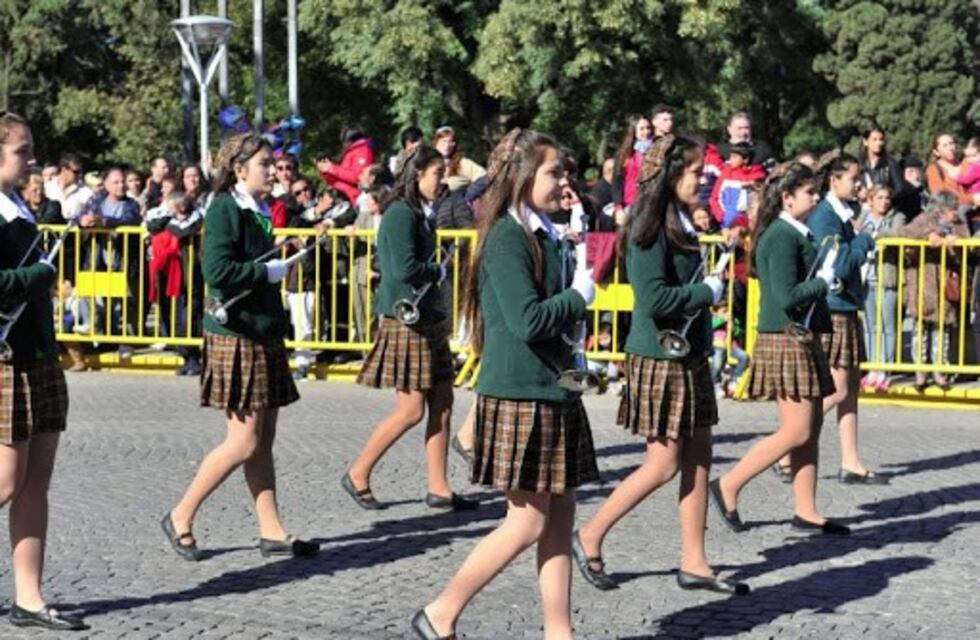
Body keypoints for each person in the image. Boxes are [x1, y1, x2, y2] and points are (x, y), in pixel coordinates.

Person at [413, 128, 599, 640]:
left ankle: (559, 632)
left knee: (561, 516)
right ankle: (441, 611)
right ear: (522, 177)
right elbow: (527, 320)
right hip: (520, 392)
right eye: (553, 171)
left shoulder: (540, 233)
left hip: (554, 388)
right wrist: (580, 296)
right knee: (526, 523)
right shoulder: (505, 235)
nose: (564, 180)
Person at [571, 134, 746, 597]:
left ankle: (694, 561)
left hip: (688, 353)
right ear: (670, 175)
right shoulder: (649, 224)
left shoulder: (684, 219)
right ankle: (590, 533)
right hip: (659, 356)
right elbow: (654, 300)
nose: (706, 179)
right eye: (695, 172)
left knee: (700, 456)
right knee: (663, 463)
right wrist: (705, 293)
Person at [162, 132, 319, 562]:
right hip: (237, 336)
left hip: (262, 330)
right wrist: (265, 271)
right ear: (239, 169)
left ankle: (272, 529)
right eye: (264, 163)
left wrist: (281, 260)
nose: (272, 170)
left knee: (263, 439)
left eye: (272, 163)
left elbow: (253, 262)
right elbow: (217, 269)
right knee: (244, 441)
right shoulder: (227, 207)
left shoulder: (258, 208)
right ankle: (180, 514)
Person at [709, 161, 850, 538]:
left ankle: (806, 509)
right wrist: (823, 283)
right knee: (797, 430)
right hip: (784, 338)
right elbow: (787, 297)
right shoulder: (780, 237)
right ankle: (728, 484)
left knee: (811, 427)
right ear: (788, 198)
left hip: (799, 337)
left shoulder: (795, 234)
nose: (816, 197)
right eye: (809, 192)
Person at [343, 145, 476, 512]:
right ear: (417, 174)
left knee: (443, 403)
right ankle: (358, 473)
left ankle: (439, 487)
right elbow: (402, 268)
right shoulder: (401, 211)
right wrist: (439, 270)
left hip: (426, 316)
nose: (442, 181)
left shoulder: (421, 210)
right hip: (406, 318)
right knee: (411, 409)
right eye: (437, 173)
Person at [0, 111, 88, 630]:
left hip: (38, 353)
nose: (32, 159)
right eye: (21, 150)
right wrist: (37, 274)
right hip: (6, 358)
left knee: (36, 482)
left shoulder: (17, 206)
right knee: (7, 481)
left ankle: (28, 599)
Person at [791, 153, 884, 485]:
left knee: (851, 389)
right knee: (839, 387)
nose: (859, 184)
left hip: (845, 305)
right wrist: (865, 237)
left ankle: (851, 460)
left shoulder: (841, 213)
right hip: (833, 307)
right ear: (835, 180)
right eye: (854, 178)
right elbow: (842, 262)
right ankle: (791, 448)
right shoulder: (827, 216)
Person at [899, 190, 969, 391]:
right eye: (952, 209)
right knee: (920, 329)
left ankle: (940, 373)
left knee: (942, 330)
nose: (955, 213)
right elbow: (903, 233)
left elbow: (969, 245)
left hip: (945, 284)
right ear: (941, 209)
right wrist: (926, 236)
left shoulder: (958, 225)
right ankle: (920, 373)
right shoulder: (923, 220)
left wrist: (956, 244)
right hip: (922, 281)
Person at [857, 185, 905, 391]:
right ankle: (872, 367)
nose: (884, 201)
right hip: (866, 278)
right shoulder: (863, 217)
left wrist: (874, 235)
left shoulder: (897, 217)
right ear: (870, 199)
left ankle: (885, 368)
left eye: (887, 198)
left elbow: (896, 234)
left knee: (887, 324)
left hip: (888, 277)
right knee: (869, 325)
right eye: (879, 197)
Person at [709, 141, 766, 228]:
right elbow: (714, 198)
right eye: (731, 156)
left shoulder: (759, 176)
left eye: (735, 157)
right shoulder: (726, 174)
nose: (731, 160)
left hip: (750, 227)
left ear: (745, 160)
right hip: (727, 225)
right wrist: (722, 217)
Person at [316, 124, 376, 203]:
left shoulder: (363, 151)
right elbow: (340, 178)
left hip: (357, 198)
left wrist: (332, 169)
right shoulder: (351, 152)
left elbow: (357, 177)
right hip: (346, 197)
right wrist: (326, 172)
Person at [611, 114, 654, 212]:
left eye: (648, 128)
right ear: (634, 131)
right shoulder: (624, 154)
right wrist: (618, 206)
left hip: (650, 202)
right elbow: (617, 182)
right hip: (630, 203)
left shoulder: (655, 151)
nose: (646, 132)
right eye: (642, 129)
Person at [433, 126, 486, 193]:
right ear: (436, 143)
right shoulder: (428, 162)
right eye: (444, 141)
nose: (447, 145)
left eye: (451, 142)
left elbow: (483, 177)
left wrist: (468, 195)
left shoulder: (463, 163)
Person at [857, 122, 905, 195]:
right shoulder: (859, 164)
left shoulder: (890, 164)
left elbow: (900, 190)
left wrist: (884, 197)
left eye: (881, 139)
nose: (878, 143)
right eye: (874, 139)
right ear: (865, 142)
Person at [925, 133, 971, 206]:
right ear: (936, 152)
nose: (950, 148)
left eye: (951, 143)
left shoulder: (966, 162)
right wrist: (972, 199)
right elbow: (942, 199)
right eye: (945, 146)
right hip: (957, 214)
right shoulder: (934, 170)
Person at [45, 153, 93, 221]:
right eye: (76, 172)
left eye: (80, 172)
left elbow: (92, 215)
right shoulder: (47, 188)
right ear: (64, 170)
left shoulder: (86, 193)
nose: (79, 175)